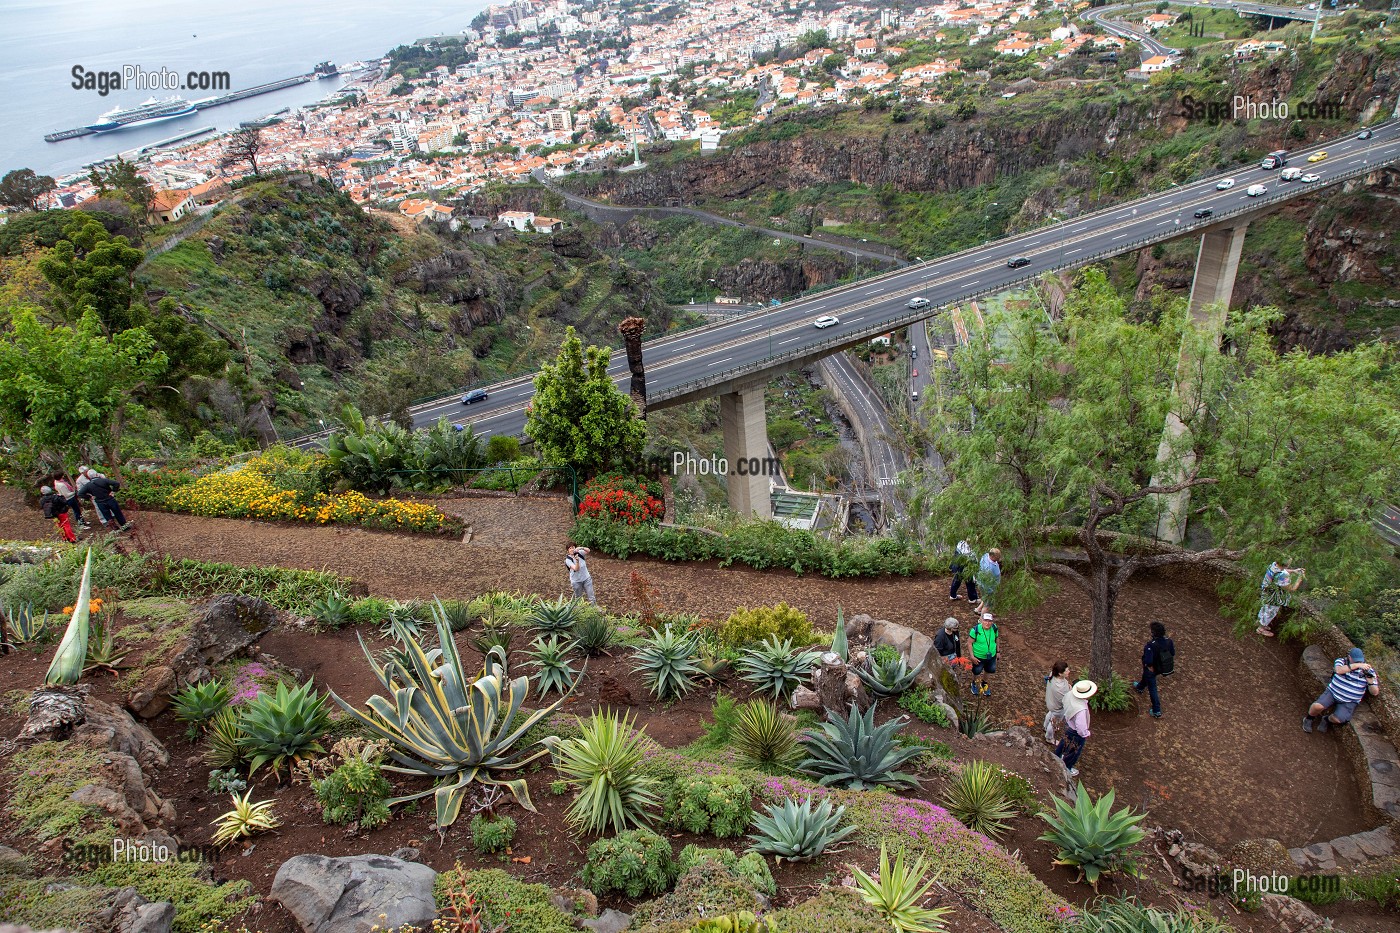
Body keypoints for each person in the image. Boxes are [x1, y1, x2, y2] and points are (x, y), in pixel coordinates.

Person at [1304, 647, 1381, 733]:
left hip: (1350, 701)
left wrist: (1370, 682)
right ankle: (1309, 718)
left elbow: (1374, 692)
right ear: (1349, 657)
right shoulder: (1341, 661)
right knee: (1317, 706)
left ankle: (1326, 719)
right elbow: (1339, 670)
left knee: (1338, 719)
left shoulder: (1369, 671)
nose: (1358, 662)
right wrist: (1358, 665)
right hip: (1333, 692)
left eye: (1360, 661)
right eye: (1355, 660)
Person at [1056, 679, 1097, 778]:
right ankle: (1067, 768)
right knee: (1073, 752)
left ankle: (1056, 758)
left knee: (1063, 743)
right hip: (1076, 732)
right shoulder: (1081, 710)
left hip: (1068, 724)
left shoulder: (1069, 694)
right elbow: (1081, 728)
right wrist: (1086, 734)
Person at [1133, 622, 1175, 718]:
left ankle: (1156, 710)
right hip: (1161, 668)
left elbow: (1148, 660)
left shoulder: (1150, 646)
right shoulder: (1169, 641)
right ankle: (1140, 687)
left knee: (1152, 687)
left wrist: (1149, 666)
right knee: (1147, 677)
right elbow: (1172, 653)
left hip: (1152, 669)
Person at [1256, 560, 1305, 637]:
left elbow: (1282, 570)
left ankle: (1260, 621)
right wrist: (1299, 580)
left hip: (1267, 592)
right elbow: (1291, 588)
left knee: (1265, 608)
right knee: (1271, 612)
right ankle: (1261, 629)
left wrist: (1293, 571)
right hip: (1274, 597)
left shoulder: (1274, 564)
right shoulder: (1283, 576)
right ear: (1286, 565)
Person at [968, 612, 999, 696]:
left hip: (991, 656)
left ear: (992, 622)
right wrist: (972, 656)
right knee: (976, 671)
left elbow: (996, 639)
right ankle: (974, 683)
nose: (987, 623)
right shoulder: (975, 630)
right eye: (985, 620)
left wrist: (998, 651)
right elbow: (969, 643)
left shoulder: (994, 628)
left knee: (989, 670)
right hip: (978, 656)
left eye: (989, 621)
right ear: (981, 620)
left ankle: (984, 683)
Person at [1043, 661, 1071, 744]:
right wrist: (1070, 690)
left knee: (1050, 714)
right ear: (1060, 673)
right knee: (1054, 723)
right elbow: (1065, 699)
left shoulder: (1052, 674)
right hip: (1058, 708)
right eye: (1066, 670)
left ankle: (1045, 727)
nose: (1068, 671)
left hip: (1051, 703)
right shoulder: (1060, 687)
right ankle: (1049, 737)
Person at [974, 548, 1002, 612]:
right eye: (997, 558)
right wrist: (990, 591)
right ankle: (982, 619)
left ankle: (978, 609)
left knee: (985, 598)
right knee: (987, 605)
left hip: (981, 583)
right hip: (987, 587)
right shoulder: (989, 568)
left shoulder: (986, 555)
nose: (998, 560)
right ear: (992, 556)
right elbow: (987, 583)